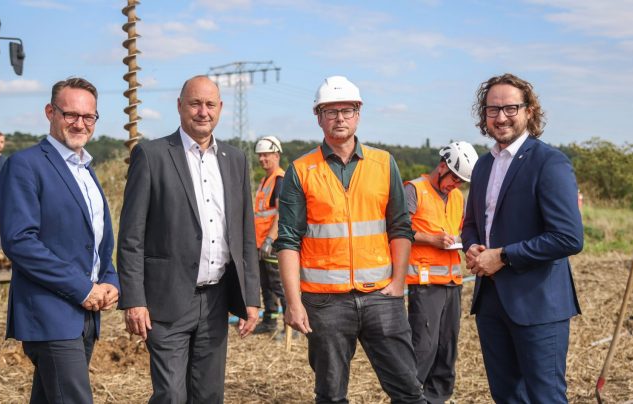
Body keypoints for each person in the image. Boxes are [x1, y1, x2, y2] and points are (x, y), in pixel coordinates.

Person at [276, 75, 425, 403]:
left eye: (347, 110)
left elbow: (400, 227)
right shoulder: (301, 171)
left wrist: (399, 282)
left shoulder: (384, 163)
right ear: (318, 117)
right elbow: (288, 240)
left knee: (409, 390)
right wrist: (293, 302)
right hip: (325, 303)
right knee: (330, 395)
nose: (339, 117)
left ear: (358, 113)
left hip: (381, 298)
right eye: (330, 111)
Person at [117, 75, 260, 403]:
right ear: (180, 106)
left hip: (216, 301)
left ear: (220, 108)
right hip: (166, 301)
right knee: (170, 395)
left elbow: (244, 235)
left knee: (209, 395)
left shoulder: (235, 160)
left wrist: (251, 296)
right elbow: (131, 237)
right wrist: (134, 300)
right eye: (195, 103)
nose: (203, 112)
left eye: (210, 104)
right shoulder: (152, 155)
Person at [462, 73, 584, 403]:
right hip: (490, 302)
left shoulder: (550, 162)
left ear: (529, 111)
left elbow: (568, 237)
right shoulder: (483, 165)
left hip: (538, 304)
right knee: (506, 397)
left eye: (510, 108)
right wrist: (472, 246)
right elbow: (473, 222)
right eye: (492, 109)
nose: (500, 117)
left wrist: (502, 256)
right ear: (483, 115)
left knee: (545, 397)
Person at [0, 77, 120, 404]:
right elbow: (19, 241)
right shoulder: (25, 165)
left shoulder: (85, 169)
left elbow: (96, 242)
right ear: (50, 112)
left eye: (88, 117)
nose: (80, 123)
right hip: (50, 315)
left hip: (85, 317)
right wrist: (82, 288)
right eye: (70, 114)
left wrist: (110, 280)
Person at [404, 141, 478, 404]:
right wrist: (430, 239)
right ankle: (411, 398)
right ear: (442, 166)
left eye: (461, 182)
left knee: (447, 349)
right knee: (424, 347)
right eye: (454, 179)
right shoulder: (415, 189)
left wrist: (468, 246)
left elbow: (461, 230)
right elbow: (398, 230)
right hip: (424, 284)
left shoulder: (457, 197)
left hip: (452, 282)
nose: (456, 185)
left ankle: (436, 399)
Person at [252, 135, 287, 335]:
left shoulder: (280, 180)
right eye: (260, 155)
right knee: (265, 284)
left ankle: (290, 325)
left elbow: (280, 213)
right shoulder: (265, 180)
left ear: (276, 155)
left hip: (271, 242)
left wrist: (269, 240)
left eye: (266, 155)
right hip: (260, 241)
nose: (262, 159)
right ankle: (269, 321)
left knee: (278, 284)